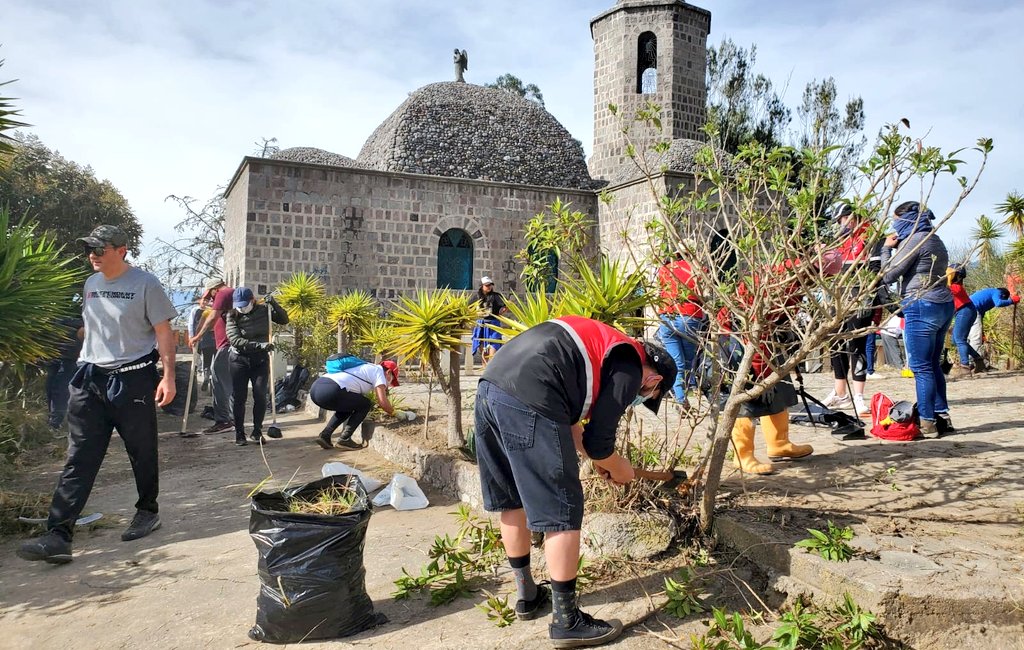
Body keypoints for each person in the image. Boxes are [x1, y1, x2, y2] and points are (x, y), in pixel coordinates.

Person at [474, 315, 676, 648]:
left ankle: (527, 596)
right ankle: (567, 622)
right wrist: (617, 465)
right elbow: (600, 442)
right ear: (654, 378)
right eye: (651, 394)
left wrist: (596, 459)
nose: (643, 398)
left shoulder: (599, 348)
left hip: (490, 390)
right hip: (531, 396)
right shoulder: (629, 365)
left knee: (513, 499)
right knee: (562, 508)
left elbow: (574, 428)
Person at [18, 225, 177, 564]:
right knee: (80, 456)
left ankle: (147, 511)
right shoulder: (91, 284)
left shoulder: (146, 284)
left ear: (121, 250)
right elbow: (93, 327)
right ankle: (58, 534)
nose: (93, 254)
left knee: (141, 450)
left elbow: (165, 332)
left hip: (132, 379)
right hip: (90, 379)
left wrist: (168, 377)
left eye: (100, 248)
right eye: (89, 248)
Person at [881, 202, 954, 438]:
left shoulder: (915, 240)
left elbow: (889, 274)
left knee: (921, 368)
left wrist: (886, 249)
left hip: (921, 305)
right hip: (943, 304)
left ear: (907, 220)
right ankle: (942, 416)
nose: (894, 226)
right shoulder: (935, 238)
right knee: (933, 365)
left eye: (896, 221)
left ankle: (927, 423)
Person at [822, 205, 883, 416]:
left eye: (842, 220)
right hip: (837, 298)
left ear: (851, 217)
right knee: (835, 342)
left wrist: (871, 298)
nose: (840, 224)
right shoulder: (839, 241)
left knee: (857, 344)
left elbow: (876, 270)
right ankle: (840, 392)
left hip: (860, 297)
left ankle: (858, 395)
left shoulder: (871, 237)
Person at [225, 288, 289, 446]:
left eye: (245, 304)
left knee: (260, 394)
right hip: (239, 360)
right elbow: (235, 340)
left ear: (252, 300)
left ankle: (257, 431)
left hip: (259, 360)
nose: (242, 308)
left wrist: (273, 303)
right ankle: (239, 433)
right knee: (239, 397)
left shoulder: (263, 311)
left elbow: (283, 319)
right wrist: (259, 345)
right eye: (239, 305)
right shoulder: (231, 315)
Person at [310, 358, 411, 449]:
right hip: (330, 389)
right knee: (365, 404)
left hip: (316, 390)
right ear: (388, 372)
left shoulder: (365, 367)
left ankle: (325, 435)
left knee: (349, 406)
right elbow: (382, 402)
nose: (389, 384)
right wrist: (395, 413)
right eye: (392, 380)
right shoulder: (378, 371)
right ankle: (345, 439)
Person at [656, 254, 707, 409]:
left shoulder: (665, 269)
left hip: (667, 316)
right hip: (689, 316)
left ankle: (680, 398)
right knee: (687, 362)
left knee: (676, 361)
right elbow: (703, 293)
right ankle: (682, 396)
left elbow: (660, 291)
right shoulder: (698, 269)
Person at [189, 277, 235, 433]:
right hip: (230, 346)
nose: (211, 299)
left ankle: (223, 421)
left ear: (215, 289)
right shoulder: (230, 295)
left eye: (211, 295)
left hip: (227, 346)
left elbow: (212, 317)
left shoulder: (223, 293)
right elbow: (211, 317)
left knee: (218, 382)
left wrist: (197, 337)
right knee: (230, 383)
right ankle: (233, 417)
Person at [44, 308, 85, 429]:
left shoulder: (79, 319)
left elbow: (83, 333)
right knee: (51, 387)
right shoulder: (55, 317)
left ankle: (56, 422)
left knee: (60, 389)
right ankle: (54, 420)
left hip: (67, 357)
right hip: (53, 355)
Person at [964, 286, 1020, 370]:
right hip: (973, 310)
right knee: (975, 338)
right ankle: (973, 364)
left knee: (967, 338)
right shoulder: (997, 292)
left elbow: (981, 313)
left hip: (965, 310)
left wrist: (981, 331)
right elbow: (999, 303)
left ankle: (966, 362)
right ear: (1003, 295)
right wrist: (1011, 301)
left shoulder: (988, 292)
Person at [947, 265, 983, 377]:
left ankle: (965, 367)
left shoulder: (956, 287)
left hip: (965, 311)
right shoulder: (953, 286)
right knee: (955, 340)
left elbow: (949, 290)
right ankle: (978, 359)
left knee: (959, 339)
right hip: (964, 311)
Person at [471, 276, 507, 366]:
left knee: (494, 348)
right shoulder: (476, 297)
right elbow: (468, 307)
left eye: (490, 285)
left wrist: (501, 312)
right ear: (482, 286)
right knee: (484, 350)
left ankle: (491, 369)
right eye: (487, 285)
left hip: (493, 324)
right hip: (481, 325)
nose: (489, 287)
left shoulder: (496, 296)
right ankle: (485, 371)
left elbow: (505, 306)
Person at [187, 294, 217, 391]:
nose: (205, 302)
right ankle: (205, 378)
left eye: (207, 301)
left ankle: (213, 381)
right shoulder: (196, 311)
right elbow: (191, 324)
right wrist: (192, 336)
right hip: (203, 338)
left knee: (215, 361)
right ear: (200, 300)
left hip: (215, 339)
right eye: (204, 300)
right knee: (205, 360)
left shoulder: (214, 311)